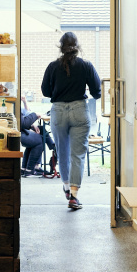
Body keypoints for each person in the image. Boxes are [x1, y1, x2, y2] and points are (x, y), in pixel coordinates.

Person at [40, 31, 101, 210]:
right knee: (78, 154)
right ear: (77, 46)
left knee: (62, 151)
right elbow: (97, 91)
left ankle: (66, 187)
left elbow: (45, 91)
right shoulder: (86, 65)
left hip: (58, 111)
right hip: (79, 110)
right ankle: (74, 196)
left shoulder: (52, 66)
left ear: (61, 47)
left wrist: (58, 90)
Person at [20, 98, 56, 177]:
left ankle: (25, 168)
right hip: (18, 133)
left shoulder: (14, 104)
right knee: (39, 140)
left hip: (21, 130)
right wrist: (35, 115)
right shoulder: (13, 105)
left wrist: (32, 125)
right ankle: (30, 170)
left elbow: (26, 114)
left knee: (40, 129)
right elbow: (24, 123)